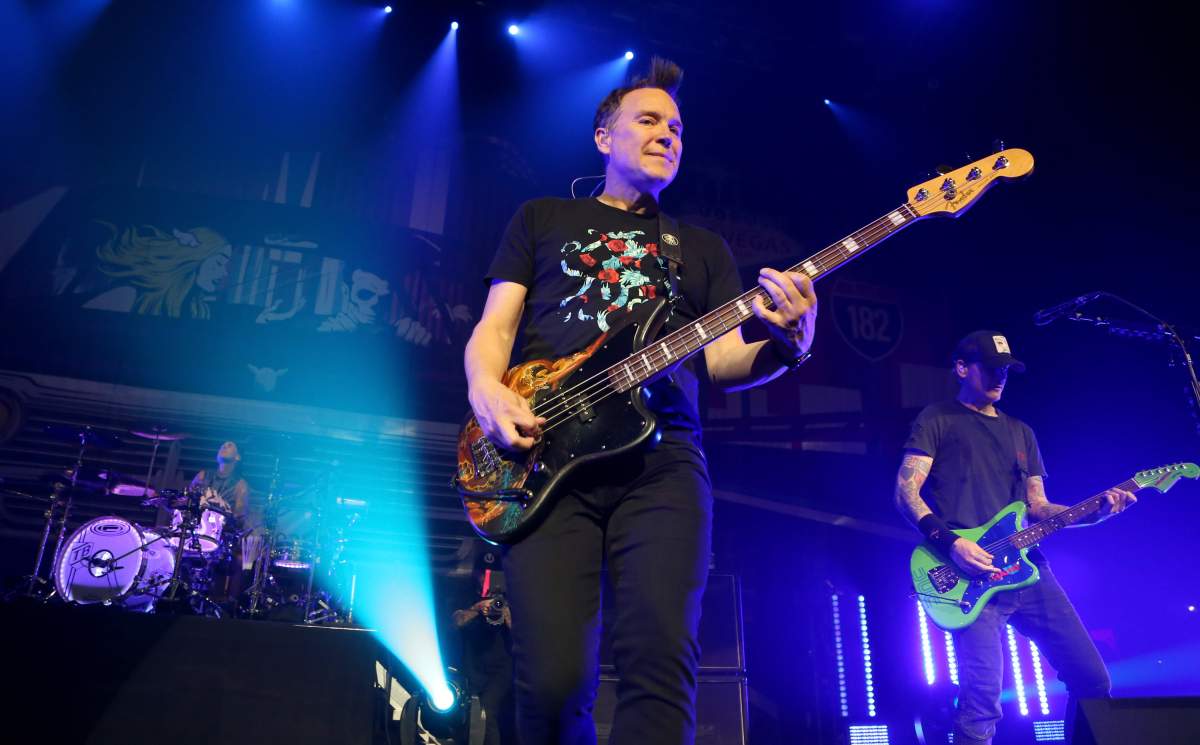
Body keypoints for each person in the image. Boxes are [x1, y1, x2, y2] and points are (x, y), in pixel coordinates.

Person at [463, 57, 818, 745]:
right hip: (542, 455)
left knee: (660, 667)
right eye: (649, 120)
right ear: (603, 137)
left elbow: (722, 360)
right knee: (555, 678)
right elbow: (495, 329)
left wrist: (789, 345)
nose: (668, 134)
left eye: (678, 128)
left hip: (663, 466)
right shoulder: (542, 218)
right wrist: (485, 391)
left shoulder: (701, 249)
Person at [894, 330, 1137, 744]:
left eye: (1006, 370)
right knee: (982, 703)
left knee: (1092, 680)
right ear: (961, 368)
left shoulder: (1022, 432)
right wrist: (951, 543)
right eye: (990, 368)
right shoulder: (937, 419)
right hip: (969, 573)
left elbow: (1038, 508)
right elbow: (905, 492)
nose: (999, 377)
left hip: (1028, 571)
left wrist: (1094, 513)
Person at [451, 549, 516, 745]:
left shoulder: (511, 596)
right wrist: (477, 609)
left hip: (501, 669)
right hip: (473, 667)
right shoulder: (465, 592)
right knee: (468, 713)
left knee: (488, 711)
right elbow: (456, 621)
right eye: (483, 573)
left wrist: (505, 612)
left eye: (492, 574)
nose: (486, 578)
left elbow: (525, 635)